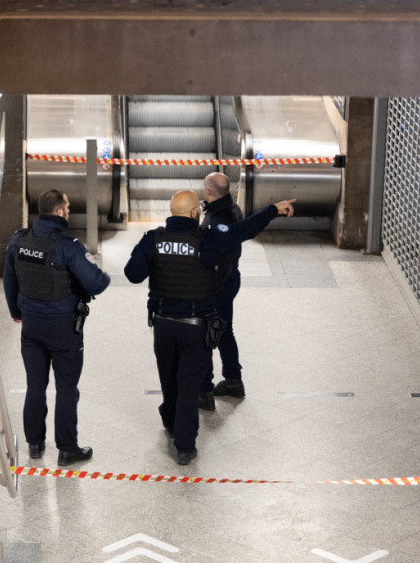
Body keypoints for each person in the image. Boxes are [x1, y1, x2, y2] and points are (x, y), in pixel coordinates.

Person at [123, 189, 295, 465]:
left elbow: (132, 275)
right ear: (194, 213)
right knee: (189, 384)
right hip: (195, 326)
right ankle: (185, 446)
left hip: (163, 324)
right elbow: (244, 230)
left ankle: (170, 419)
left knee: (169, 379)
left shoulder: (153, 239)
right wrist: (273, 208)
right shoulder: (208, 239)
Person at [3, 189, 111, 467]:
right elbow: (96, 283)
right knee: (66, 387)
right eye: (66, 206)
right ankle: (67, 448)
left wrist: (17, 312)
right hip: (64, 329)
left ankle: (35, 444)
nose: (68, 210)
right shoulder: (67, 246)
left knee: (35, 385)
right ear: (61, 212)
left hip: (32, 328)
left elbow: (9, 280)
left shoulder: (18, 240)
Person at [198, 172, 245, 411]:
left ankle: (204, 392)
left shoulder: (219, 219)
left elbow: (222, 259)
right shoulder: (231, 209)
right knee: (224, 329)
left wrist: (210, 289)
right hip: (229, 279)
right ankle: (233, 379)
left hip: (219, 284)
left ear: (208, 191)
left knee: (207, 333)